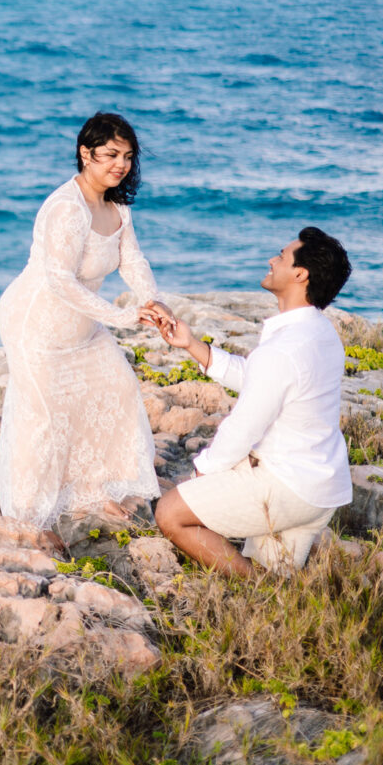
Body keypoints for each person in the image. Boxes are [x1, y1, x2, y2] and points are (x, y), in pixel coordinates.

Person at [0, 113, 169, 532]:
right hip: (36, 324)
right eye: (111, 154)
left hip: (83, 325)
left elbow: (132, 259)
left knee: (118, 390)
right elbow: (60, 281)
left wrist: (152, 300)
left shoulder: (117, 206)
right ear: (85, 153)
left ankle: (95, 492)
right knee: (44, 418)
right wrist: (125, 316)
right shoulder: (66, 208)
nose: (120, 164)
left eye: (128, 156)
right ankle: (29, 516)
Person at [152, 227, 354, 576]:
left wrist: (205, 469)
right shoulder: (321, 332)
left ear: (300, 274)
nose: (271, 260)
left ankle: (254, 583)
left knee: (169, 513)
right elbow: (256, 378)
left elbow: (243, 427)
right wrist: (191, 344)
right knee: (279, 577)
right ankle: (369, 566)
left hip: (285, 487)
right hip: (320, 489)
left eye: (281, 256)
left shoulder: (283, 348)